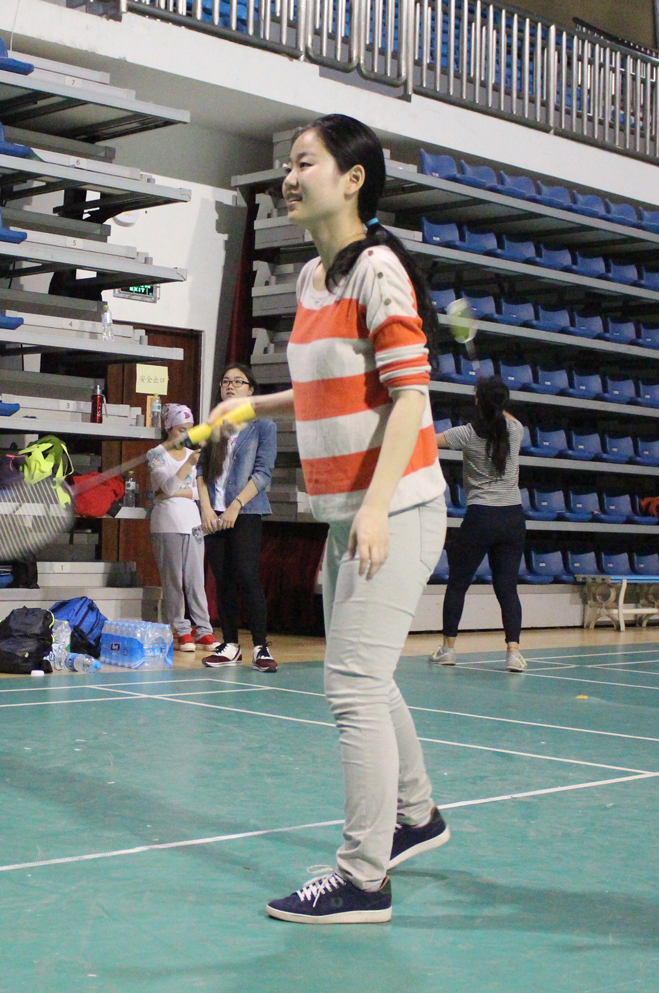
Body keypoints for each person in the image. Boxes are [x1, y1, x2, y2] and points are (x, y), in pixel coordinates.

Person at [207, 115, 449, 924]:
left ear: (352, 180)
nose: (288, 175)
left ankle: (363, 877)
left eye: (304, 162)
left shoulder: (377, 271)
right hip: (350, 515)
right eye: (287, 163)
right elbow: (325, 391)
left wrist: (375, 507)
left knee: (351, 685)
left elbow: (410, 395)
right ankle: (415, 815)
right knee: (367, 678)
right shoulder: (314, 279)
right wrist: (248, 408)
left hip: (397, 508)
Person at [431, 376, 527, 673]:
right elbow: (506, 415)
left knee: (458, 584)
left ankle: (448, 650)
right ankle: (513, 653)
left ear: (477, 402)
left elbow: (427, 442)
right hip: (512, 518)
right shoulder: (516, 430)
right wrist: (494, 399)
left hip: (481, 518)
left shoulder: (466, 433)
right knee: (507, 588)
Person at [196, 363, 278, 673]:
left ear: (251, 389)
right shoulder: (214, 425)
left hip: (246, 512)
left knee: (246, 575)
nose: (230, 386)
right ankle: (230, 645)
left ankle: (260, 646)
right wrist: (206, 508)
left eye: (238, 382)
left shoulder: (263, 425)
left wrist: (235, 507)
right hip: (214, 515)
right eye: (225, 381)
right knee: (223, 580)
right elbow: (201, 470)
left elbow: (263, 473)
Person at [147, 404, 217, 653]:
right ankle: (180, 629)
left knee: (196, 580)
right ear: (169, 428)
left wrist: (173, 491)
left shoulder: (193, 454)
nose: (186, 435)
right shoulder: (156, 454)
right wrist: (186, 467)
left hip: (192, 523)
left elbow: (199, 491)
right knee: (173, 580)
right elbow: (166, 486)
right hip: (167, 524)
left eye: (190, 429)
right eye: (181, 430)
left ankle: (204, 629)